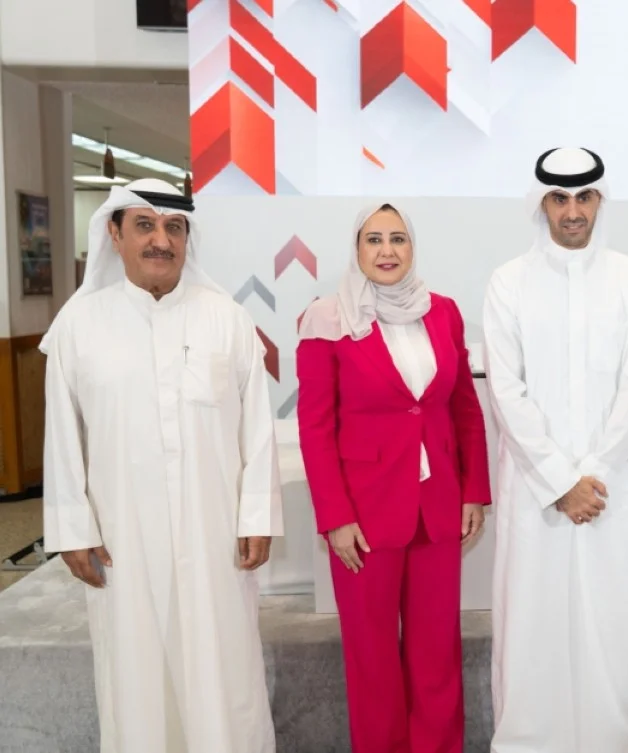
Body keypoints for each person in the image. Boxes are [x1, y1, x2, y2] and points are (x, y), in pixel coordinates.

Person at [40, 178, 283, 753]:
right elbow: (63, 437)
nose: (161, 240)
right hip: (121, 541)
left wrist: (257, 516)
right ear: (114, 235)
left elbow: (258, 430)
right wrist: (73, 529)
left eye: (174, 227)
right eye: (145, 226)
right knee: (135, 680)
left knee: (224, 677)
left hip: (215, 533)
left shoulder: (226, 319)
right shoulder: (79, 325)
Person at [296, 203, 491, 753]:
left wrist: (473, 490)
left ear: (412, 248)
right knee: (373, 660)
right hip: (362, 515)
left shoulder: (443, 312)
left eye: (399, 239)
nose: (387, 251)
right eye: (374, 239)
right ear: (356, 250)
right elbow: (315, 428)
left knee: (437, 655)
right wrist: (335, 517)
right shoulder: (326, 319)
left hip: (437, 506)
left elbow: (464, 408)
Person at [483, 147, 628, 753]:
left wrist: (596, 473)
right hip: (536, 490)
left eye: (584, 197)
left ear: (599, 201)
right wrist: (561, 481)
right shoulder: (509, 282)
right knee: (532, 620)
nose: (572, 211)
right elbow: (507, 389)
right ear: (542, 204)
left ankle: (616, 738)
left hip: (610, 486)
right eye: (560, 198)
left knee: (607, 619)